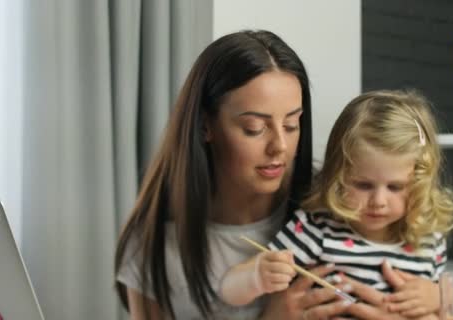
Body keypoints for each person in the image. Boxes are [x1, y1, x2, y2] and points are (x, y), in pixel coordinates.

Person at [114, 29, 358, 319]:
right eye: (255, 128)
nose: (279, 146)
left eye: (292, 125)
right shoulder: (153, 244)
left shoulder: (333, 208)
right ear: (206, 126)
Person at [219, 89, 453, 319]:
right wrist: (257, 275)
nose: (378, 202)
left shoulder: (428, 241)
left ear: (421, 184)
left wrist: (438, 296)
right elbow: (228, 291)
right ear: (338, 176)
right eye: (363, 185)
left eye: (395, 187)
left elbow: (448, 309)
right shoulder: (317, 229)